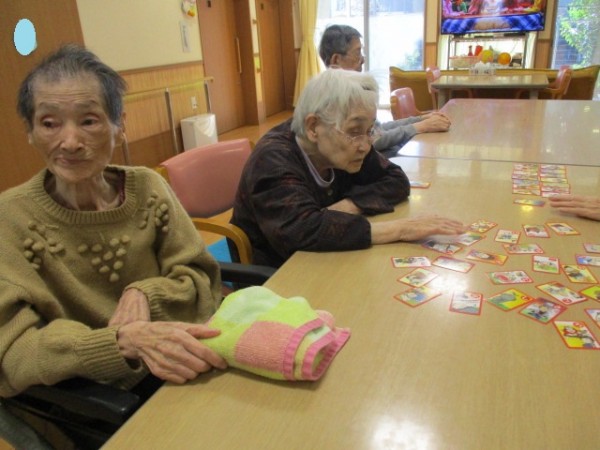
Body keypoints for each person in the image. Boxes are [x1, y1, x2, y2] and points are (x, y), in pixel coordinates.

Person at [0, 45, 228, 399]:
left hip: (183, 358)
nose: (70, 142)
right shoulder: (10, 218)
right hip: (92, 401)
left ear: (120, 126)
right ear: (30, 131)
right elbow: (16, 353)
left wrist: (145, 293)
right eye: (49, 123)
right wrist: (118, 342)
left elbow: (202, 279)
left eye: (88, 121)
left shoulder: (148, 188)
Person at [230, 69, 466, 268]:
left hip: (327, 258)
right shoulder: (273, 158)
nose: (365, 145)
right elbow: (300, 232)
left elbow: (396, 180)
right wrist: (400, 229)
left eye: (369, 130)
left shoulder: (348, 145)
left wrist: (350, 205)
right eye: (354, 131)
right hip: (279, 272)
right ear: (313, 127)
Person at [318, 24, 452, 157]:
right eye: (357, 53)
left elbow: (378, 129)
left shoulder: (350, 89)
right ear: (336, 60)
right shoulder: (334, 96)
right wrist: (420, 127)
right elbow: (373, 140)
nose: (363, 59)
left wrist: (419, 120)